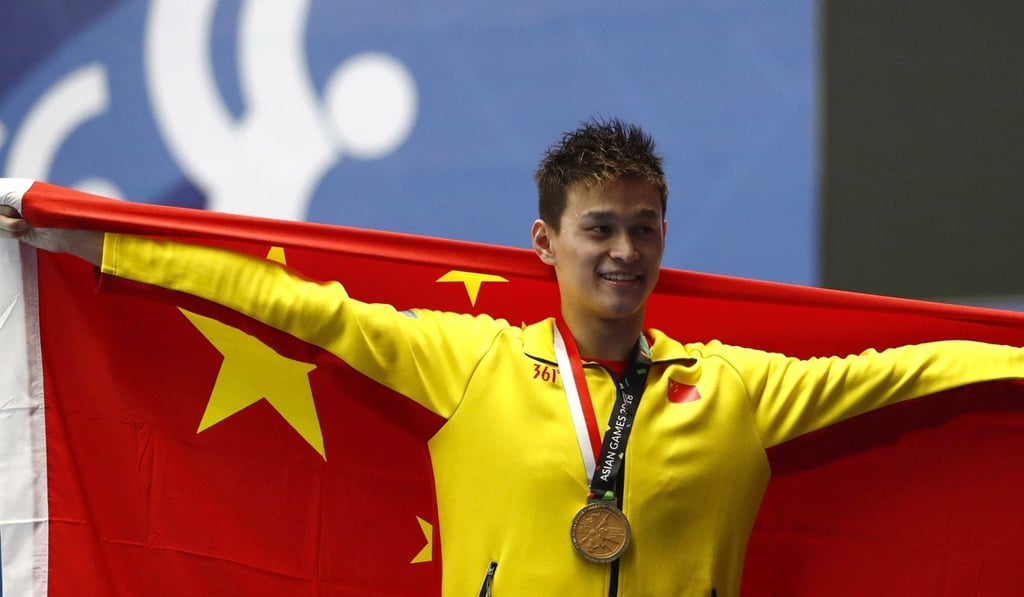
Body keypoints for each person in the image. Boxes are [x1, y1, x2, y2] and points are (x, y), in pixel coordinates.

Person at [2, 118, 1023, 596]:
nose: (623, 251)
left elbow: (914, 369)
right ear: (545, 242)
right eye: (598, 228)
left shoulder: (735, 388)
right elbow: (288, 302)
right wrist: (90, 240)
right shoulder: (471, 363)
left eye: (644, 228)